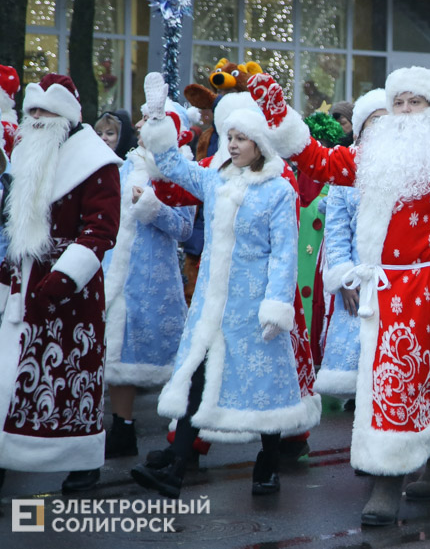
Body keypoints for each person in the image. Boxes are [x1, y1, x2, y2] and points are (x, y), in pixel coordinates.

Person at [259, 66, 430, 526]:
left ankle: (387, 479)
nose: (404, 111)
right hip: (382, 286)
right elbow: (319, 163)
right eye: (398, 102)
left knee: (401, 379)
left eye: (415, 102)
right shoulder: (371, 155)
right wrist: (278, 113)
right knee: (408, 380)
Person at [130, 73, 319, 498]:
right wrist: (158, 118)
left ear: (260, 144)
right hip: (211, 304)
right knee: (195, 377)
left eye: (241, 138)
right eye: (228, 136)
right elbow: (175, 165)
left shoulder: (277, 191)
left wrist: (275, 305)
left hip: (254, 305)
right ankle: (175, 470)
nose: (231, 145)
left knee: (264, 382)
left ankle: (268, 462)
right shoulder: (215, 179)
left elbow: (285, 254)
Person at [0, 73, 122, 494]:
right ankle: (6, 456)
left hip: (70, 293)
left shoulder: (96, 160)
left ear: (66, 116)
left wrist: (61, 280)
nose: (35, 118)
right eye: (31, 110)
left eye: (45, 111)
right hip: (23, 283)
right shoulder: (27, 154)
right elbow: (16, 224)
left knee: (71, 379)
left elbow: (101, 229)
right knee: (9, 377)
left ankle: (82, 460)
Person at [102, 85, 195, 460]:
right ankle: (121, 427)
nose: (138, 124)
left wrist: (151, 206)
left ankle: (184, 434)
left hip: (153, 279)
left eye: (148, 119)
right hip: (116, 274)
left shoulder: (181, 169)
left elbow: (185, 229)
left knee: (162, 355)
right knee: (117, 354)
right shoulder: (126, 164)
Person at [314, 89, 386, 397]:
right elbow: (337, 231)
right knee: (358, 370)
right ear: (360, 129)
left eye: (386, 120)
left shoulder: (408, 168)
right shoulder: (345, 171)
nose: (380, 128)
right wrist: (344, 278)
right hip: (357, 278)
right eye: (373, 121)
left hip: (395, 277)